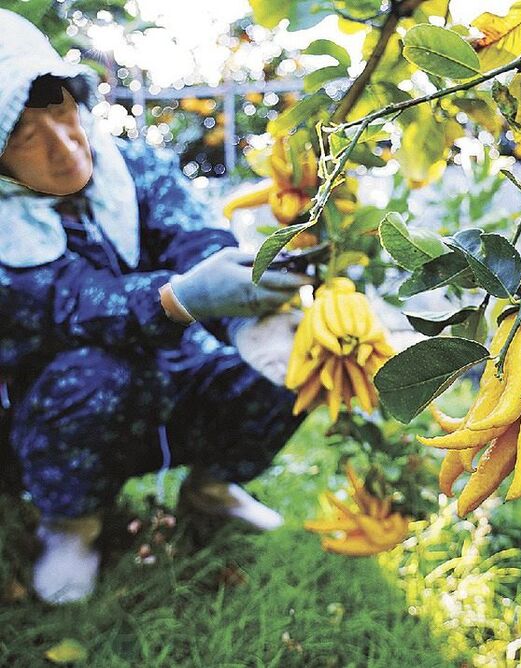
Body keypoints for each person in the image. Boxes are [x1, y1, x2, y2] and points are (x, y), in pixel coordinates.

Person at [0, 10, 312, 604]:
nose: (65, 146)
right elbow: (69, 306)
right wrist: (178, 297)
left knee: (291, 355)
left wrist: (248, 291)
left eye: (63, 111)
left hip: (172, 379)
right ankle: (71, 525)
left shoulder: (132, 167)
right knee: (93, 374)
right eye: (24, 135)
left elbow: (194, 239)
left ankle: (210, 488)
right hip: (60, 413)